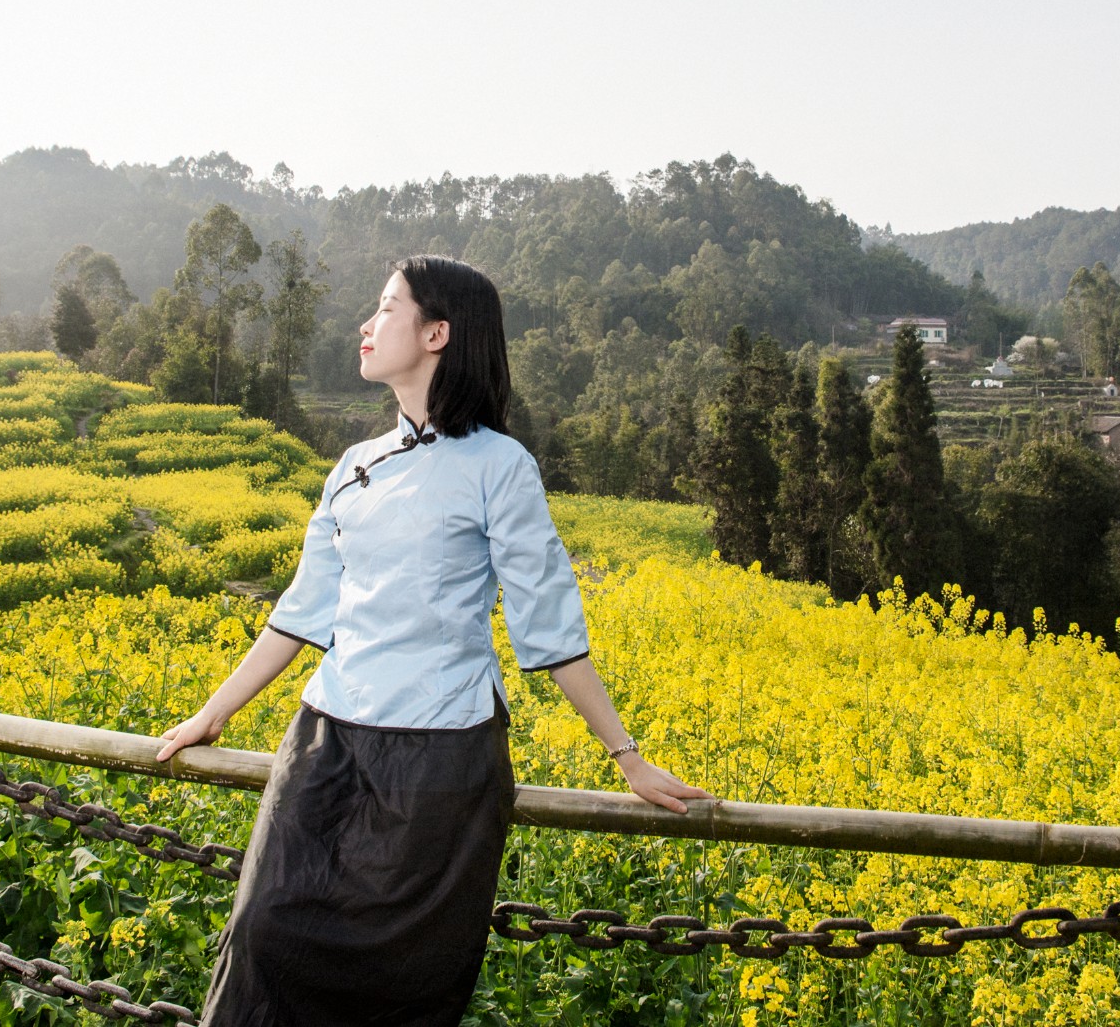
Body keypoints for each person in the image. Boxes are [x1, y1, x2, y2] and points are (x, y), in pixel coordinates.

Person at [155, 255, 710, 1026]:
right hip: (324, 745)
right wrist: (211, 713)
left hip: (440, 760)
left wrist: (627, 756)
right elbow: (301, 611)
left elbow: (548, 623)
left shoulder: (500, 466)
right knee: (264, 936)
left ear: (438, 332)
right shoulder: (352, 467)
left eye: (386, 309)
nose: (367, 325)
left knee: (400, 983)